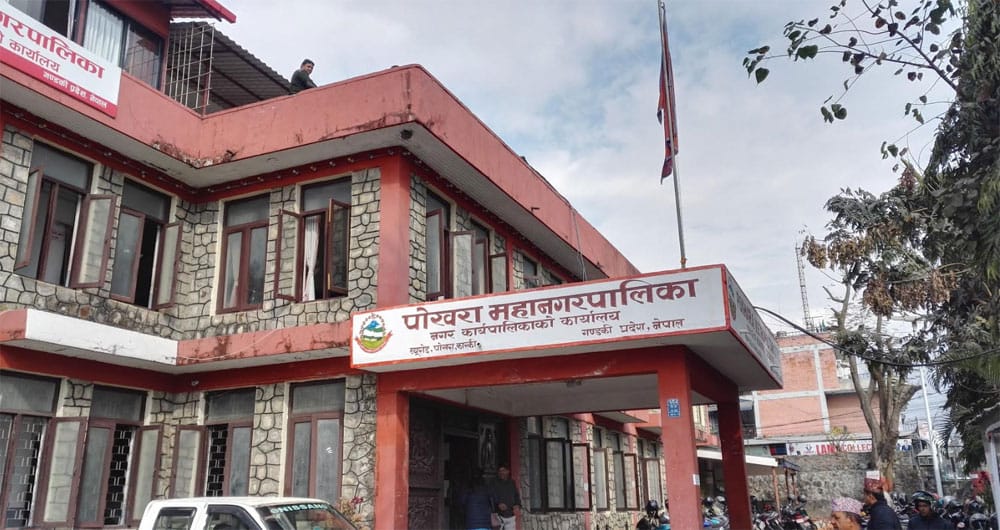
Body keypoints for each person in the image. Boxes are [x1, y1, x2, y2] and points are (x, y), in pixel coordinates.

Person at [490, 464, 520, 530]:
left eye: (503, 470)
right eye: (500, 471)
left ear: (508, 471)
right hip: (498, 516)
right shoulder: (494, 483)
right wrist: (498, 503)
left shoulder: (512, 482)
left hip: (510, 515)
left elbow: (516, 495)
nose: (501, 473)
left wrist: (517, 504)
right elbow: (491, 496)